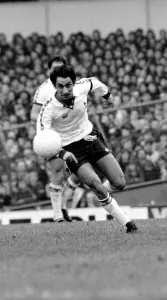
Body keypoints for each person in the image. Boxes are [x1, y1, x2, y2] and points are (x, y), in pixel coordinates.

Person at [37, 65, 138, 233]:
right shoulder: (48, 109)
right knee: (97, 185)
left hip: (91, 138)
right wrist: (62, 153)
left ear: (73, 83)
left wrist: (107, 95)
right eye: (60, 86)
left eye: (68, 85)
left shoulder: (82, 87)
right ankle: (128, 224)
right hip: (71, 151)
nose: (65, 90)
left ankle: (101, 196)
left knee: (119, 183)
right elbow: (42, 141)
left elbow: (96, 83)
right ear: (55, 86)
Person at [31, 56, 80, 222]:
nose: (58, 70)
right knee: (58, 172)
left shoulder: (73, 86)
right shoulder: (44, 89)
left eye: (61, 67)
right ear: (49, 71)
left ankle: (63, 202)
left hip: (72, 133)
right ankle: (57, 215)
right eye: (54, 68)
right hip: (53, 137)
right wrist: (48, 128)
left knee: (80, 170)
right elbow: (33, 115)